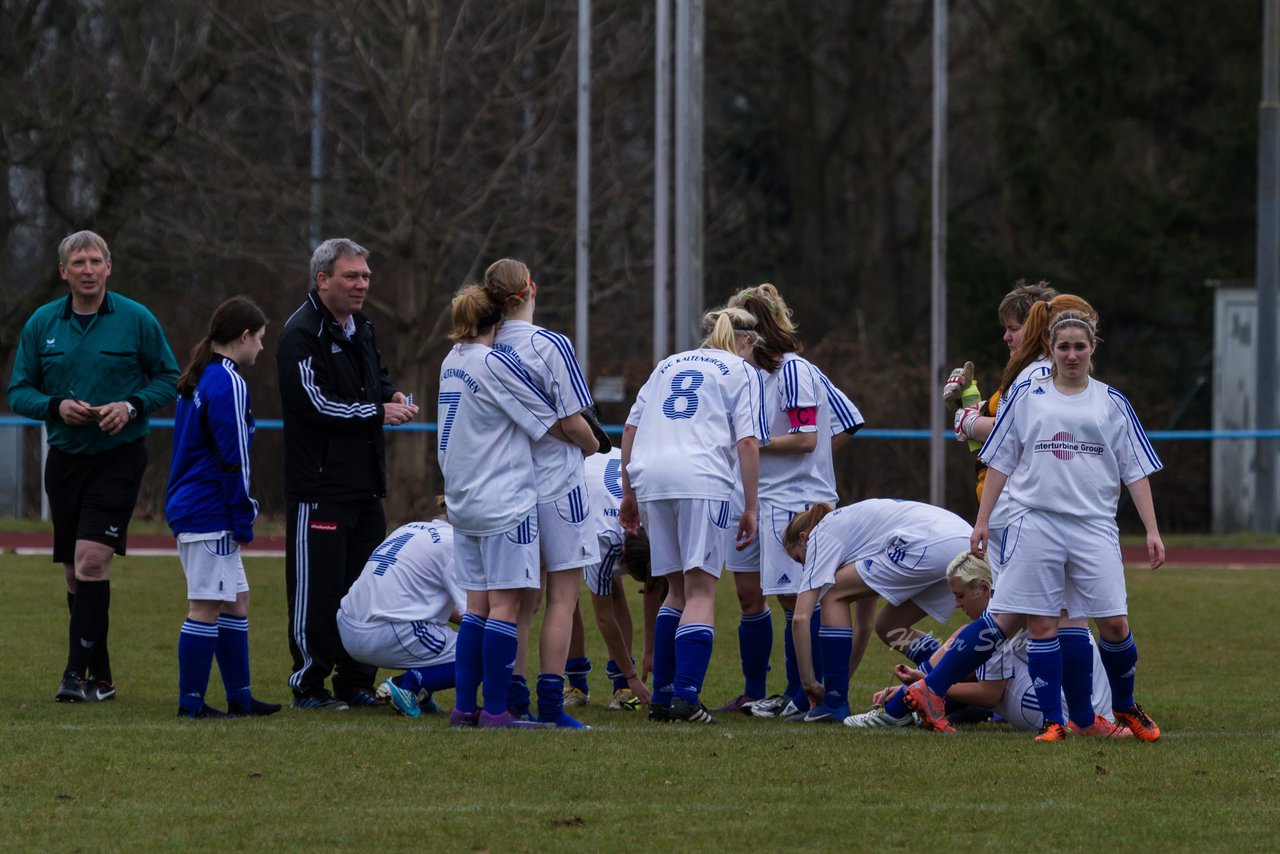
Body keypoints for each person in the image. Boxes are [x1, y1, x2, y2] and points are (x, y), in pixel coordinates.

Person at [905, 311, 1166, 741]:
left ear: (1092, 349)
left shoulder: (1111, 402)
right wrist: (982, 520)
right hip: (1036, 523)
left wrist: (1152, 530)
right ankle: (1054, 723)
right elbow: (999, 458)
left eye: (1079, 346)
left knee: (1114, 623)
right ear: (1052, 349)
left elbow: (1134, 470)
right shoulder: (1029, 393)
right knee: (1043, 623)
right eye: (1063, 346)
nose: (1071, 354)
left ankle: (1123, 705)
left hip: (1093, 527)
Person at [7, 230, 180, 703]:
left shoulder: (136, 319)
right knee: (74, 574)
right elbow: (19, 391)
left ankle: (73, 676)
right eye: (78, 262)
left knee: (91, 560)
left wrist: (133, 405)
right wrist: (55, 406)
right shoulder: (42, 323)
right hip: (64, 459)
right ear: (63, 271)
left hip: (119, 457)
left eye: (95, 261)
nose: (87, 270)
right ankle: (101, 677)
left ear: (109, 266)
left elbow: (169, 378)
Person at [950, 293, 1113, 735]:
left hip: (1030, 510)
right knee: (1033, 617)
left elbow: (993, 432)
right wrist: (967, 410)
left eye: (1013, 327)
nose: (1006, 335)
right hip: (1031, 513)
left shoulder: (1040, 372)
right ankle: (1082, 714)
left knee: (1032, 617)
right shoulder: (1037, 374)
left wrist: (966, 418)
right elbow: (997, 437)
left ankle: (1079, 713)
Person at [439, 284, 592, 729]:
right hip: (506, 498)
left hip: (463, 498)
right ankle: (500, 710)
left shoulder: (452, 361)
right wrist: (594, 443)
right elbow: (554, 423)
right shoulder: (498, 362)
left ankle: (466, 705)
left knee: (480, 605)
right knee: (516, 604)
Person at [277, 238, 419, 711]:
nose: (361, 286)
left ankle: (356, 682)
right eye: (351, 277)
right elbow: (313, 404)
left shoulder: (362, 327)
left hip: (365, 486)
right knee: (318, 594)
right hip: (319, 489)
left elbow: (375, 381)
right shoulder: (300, 333)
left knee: (366, 589)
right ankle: (309, 684)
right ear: (323, 280)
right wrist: (375, 412)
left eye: (365, 277)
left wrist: (393, 396)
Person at [714, 284, 867, 719]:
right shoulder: (740, 374)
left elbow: (813, 435)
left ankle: (803, 692)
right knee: (748, 593)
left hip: (792, 501)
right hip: (749, 498)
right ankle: (755, 691)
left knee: (795, 599)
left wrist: (804, 471)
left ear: (756, 330)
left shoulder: (796, 370)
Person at [620, 306, 768, 724]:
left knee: (675, 590)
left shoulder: (668, 364)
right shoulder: (742, 371)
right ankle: (686, 697)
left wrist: (628, 491)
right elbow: (748, 443)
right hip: (701, 478)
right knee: (701, 590)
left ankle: (664, 697)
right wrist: (751, 505)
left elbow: (630, 429)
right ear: (747, 341)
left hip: (651, 477)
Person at [486, 258, 602, 728]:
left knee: (520, 602)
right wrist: (594, 445)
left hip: (510, 483)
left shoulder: (484, 347)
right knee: (562, 599)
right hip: (559, 484)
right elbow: (574, 421)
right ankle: (553, 704)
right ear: (531, 288)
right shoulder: (550, 343)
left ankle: (514, 698)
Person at [847, 550, 1125, 734]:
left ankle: (908, 706)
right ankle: (919, 697)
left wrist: (924, 683)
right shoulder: (1027, 584)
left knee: (973, 642)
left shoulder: (1002, 608)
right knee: (969, 645)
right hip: (1093, 710)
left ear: (984, 588)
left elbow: (991, 694)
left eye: (960, 596)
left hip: (1065, 714)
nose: (956, 604)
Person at [166, 297, 280, 719]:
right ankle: (191, 704)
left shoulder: (202, 377)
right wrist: (242, 513)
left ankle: (240, 697)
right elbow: (234, 458)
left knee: (237, 599)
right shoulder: (226, 381)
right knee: (206, 605)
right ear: (244, 336)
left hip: (197, 506)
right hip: (209, 510)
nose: (263, 349)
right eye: (261, 339)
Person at [778, 499, 973, 722]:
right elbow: (864, 627)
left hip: (929, 543)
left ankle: (833, 705)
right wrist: (837, 684)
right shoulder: (858, 536)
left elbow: (800, 618)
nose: (804, 566)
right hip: (961, 542)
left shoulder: (820, 535)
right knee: (889, 627)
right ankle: (960, 688)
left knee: (831, 593)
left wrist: (809, 684)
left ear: (803, 538)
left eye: (798, 559)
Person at [336, 505, 464, 719]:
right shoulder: (454, 544)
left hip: (348, 625)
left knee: (433, 623)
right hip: (387, 630)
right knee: (483, 651)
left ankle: (422, 694)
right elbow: (474, 615)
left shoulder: (411, 528)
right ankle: (407, 686)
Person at [578, 448, 656, 710]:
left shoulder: (653, 522)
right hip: (569, 485)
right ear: (623, 552)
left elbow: (654, 589)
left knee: (613, 590)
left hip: (601, 469)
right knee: (563, 596)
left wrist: (650, 652)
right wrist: (633, 677)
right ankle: (576, 683)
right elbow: (603, 618)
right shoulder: (607, 541)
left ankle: (620, 688)